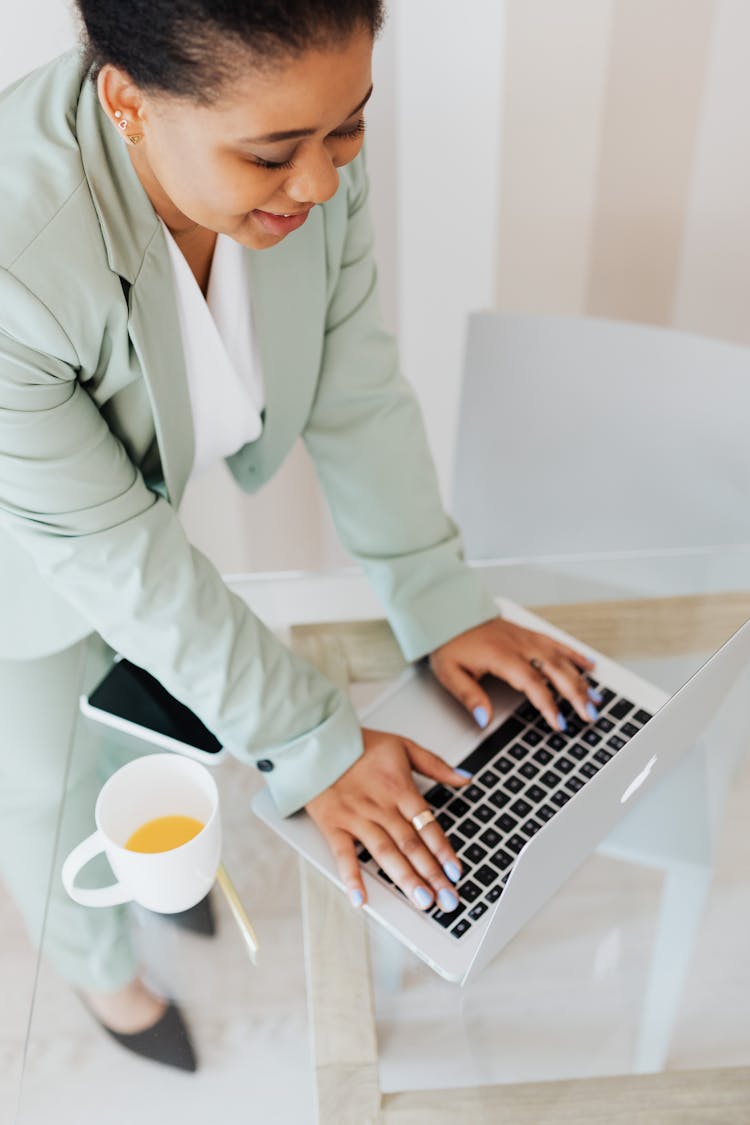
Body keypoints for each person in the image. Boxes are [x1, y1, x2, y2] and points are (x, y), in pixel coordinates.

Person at [0, 0, 602, 1071]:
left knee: (155, 734)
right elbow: (110, 551)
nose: (324, 183)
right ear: (127, 102)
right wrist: (318, 746)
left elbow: (352, 384)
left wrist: (438, 590)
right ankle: (101, 972)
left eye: (351, 127)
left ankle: (167, 883)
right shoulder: (12, 262)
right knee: (47, 786)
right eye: (274, 153)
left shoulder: (308, 163)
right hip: (19, 564)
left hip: (121, 530)